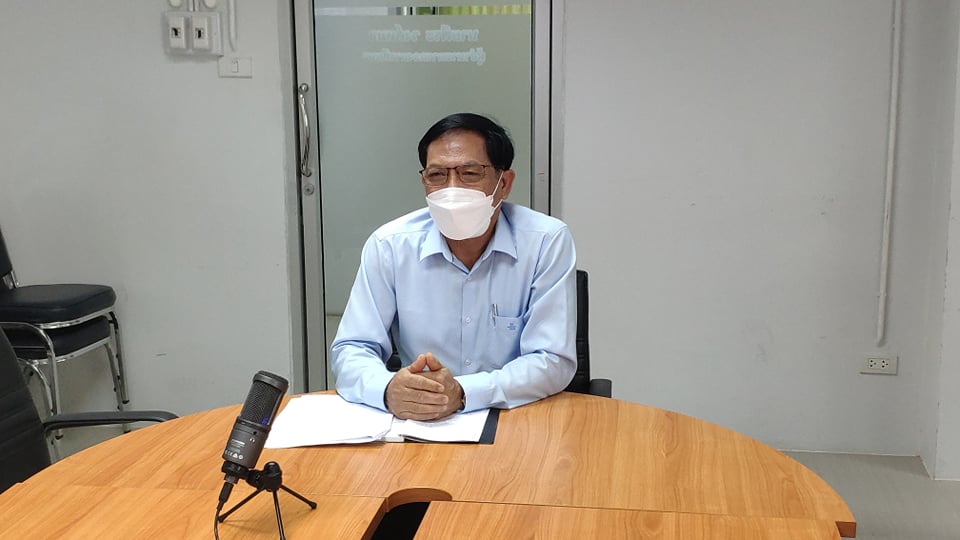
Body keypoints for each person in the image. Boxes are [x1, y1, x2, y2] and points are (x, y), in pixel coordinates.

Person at [332, 112, 577, 421]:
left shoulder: (545, 241)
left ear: (504, 184)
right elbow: (352, 348)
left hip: (515, 416)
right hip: (420, 420)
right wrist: (388, 389)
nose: (451, 189)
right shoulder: (390, 245)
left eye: (469, 173)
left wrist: (463, 393)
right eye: (437, 175)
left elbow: (552, 359)